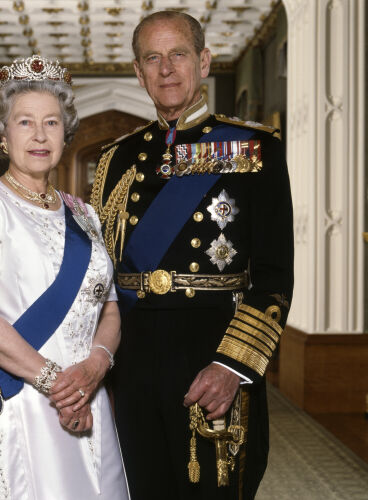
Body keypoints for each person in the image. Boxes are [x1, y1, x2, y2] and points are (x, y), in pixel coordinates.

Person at [91, 11, 293, 500]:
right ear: (138, 73)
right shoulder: (115, 159)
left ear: (203, 61)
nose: (166, 69)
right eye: (152, 59)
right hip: (134, 358)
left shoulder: (254, 148)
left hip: (212, 348)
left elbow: (273, 278)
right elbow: (98, 275)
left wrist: (232, 366)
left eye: (178, 54)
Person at [0, 55, 129, 500]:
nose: (40, 135)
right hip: (24, 399)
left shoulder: (85, 213)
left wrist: (94, 368)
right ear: (3, 134)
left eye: (52, 122)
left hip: (87, 393)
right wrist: (61, 387)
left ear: (65, 133)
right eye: (25, 122)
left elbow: (109, 306)